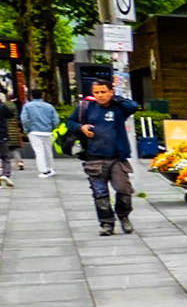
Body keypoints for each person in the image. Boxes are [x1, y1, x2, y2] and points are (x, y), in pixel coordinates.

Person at [70, 80, 137, 236]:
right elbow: (70, 122)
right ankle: (107, 223)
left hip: (117, 157)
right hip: (94, 157)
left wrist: (116, 98)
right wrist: (81, 127)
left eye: (103, 92)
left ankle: (124, 216)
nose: (100, 95)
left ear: (110, 92)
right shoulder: (86, 107)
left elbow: (133, 106)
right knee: (100, 193)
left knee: (124, 190)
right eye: (96, 92)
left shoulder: (119, 108)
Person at [21, 89, 58, 178]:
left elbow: (24, 119)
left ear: (31, 96)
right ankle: (50, 168)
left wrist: (27, 129)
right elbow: (55, 120)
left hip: (34, 131)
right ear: (42, 96)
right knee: (48, 151)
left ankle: (43, 170)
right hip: (47, 131)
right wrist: (52, 127)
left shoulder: (27, 106)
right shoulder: (49, 106)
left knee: (39, 151)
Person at [0, 94, 14, 188]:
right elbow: (10, 115)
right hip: (2, 135)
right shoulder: (2, 106)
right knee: (5, 157)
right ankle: (5, 174)